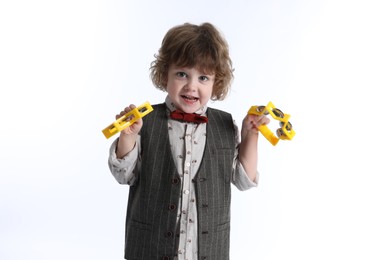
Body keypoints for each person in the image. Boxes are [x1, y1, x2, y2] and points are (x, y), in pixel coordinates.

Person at [108, 22, 270, 260]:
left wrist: (251, 134)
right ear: (165, 74)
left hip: (206, 250)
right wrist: (128, 135)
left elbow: (243, 180)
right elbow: (124, 175)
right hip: (149, 248)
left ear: (217, 82)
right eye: (182, 74)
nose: (192, 86)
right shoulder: (146, 121)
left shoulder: (225, 125)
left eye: (203, 77)